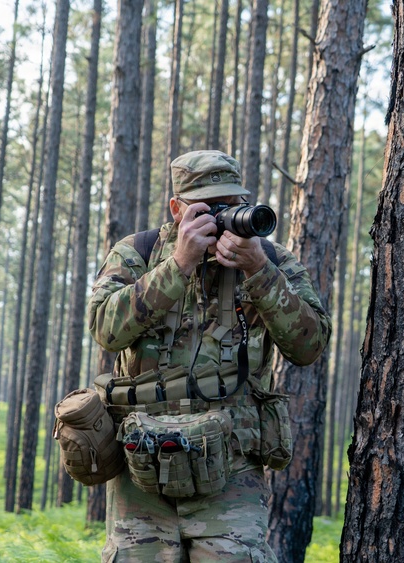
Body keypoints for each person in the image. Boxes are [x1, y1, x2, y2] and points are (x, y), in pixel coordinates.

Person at [86, 149, 331, 562]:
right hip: (140, 472)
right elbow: (105, 330)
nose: (221, 217)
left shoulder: (270, 260)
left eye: (230, 205)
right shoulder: (137, 253)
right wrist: (177, 265)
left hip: (231, 475)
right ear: (176, 208)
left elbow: (310, 346)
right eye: (207, 207)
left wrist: (259, 272)